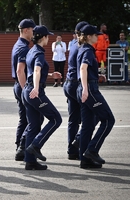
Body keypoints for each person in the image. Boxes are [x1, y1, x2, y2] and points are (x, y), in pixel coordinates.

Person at [22, 25, 62, 170]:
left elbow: (33, 71)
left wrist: (51, 75)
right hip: (34, 91)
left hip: (26, 91)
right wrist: (37, 88)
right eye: (47, 36)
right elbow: (37, 70)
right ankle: (36, 145)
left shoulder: (31, 50)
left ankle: (30, 161)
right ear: (43, 37)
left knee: (34, 125)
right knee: (56, 119)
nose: (48, 38)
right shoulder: (39, 53)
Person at [77, 24, 115, 169]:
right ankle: (92, 150)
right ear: (88, 36)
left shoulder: (83, 49)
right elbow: (82, 68)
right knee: (108, 120)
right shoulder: (87, 50)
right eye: (95, 35)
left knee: (87, 125)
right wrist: (86, 89)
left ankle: (85, 160)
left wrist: (96, 75)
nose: (97, 36)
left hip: (86, 87)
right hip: (90, 89)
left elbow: (84, 69)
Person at [11, 19, 36, 161]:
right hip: (22, 86)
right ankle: (22, 147)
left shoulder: (19, 44)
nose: (34, 33)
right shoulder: (23, 48)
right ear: (26, 30)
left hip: (18, 86)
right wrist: (26, 89)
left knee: (24, 119)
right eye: (32, 30)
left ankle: (20, 148)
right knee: (33, 119)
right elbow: (20, 71)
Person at [63, 21, 89, 160]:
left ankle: (71, 150)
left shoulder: (73, 44)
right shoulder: (82, 46)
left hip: (68, 83)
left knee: (73, 119)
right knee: (90, 116)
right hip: (76, 84)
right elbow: (83, 68)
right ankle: (79, 142)